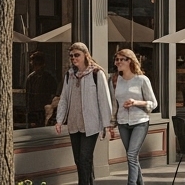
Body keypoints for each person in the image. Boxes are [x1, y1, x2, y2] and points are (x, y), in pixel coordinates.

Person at [54, 43, 113, 185]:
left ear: (85, 55)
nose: (74, 58)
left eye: (77, 55)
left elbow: (104, 100)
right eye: (71, 56)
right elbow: (64, 98)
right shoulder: (69, 75)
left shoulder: (96, 74)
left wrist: (107, 124)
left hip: (91, 124)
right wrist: (59, 120)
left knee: (85, 157)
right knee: (79, 160)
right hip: (74, 123)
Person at [111, 49, 156, 185]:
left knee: (131, 155)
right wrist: (111, 124)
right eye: (116, 59)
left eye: (121, 59)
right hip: (122, 122)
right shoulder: (115, 80)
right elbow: (114, 104)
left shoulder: (142, 80)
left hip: (140, 122)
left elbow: (153, 103)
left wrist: (136, 102)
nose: (117, 62)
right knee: (133, 157)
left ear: (129, 61)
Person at [25, 51, 58, 127]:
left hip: (46, 110)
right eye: (34, 65)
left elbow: (53, 96)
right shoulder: (31, 78)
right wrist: (29, 114)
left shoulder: (49, 78)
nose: (36, 68)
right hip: (34, 111)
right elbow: (28, 98)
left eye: (38, 65)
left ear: (43, 64)